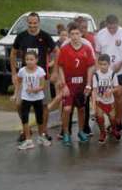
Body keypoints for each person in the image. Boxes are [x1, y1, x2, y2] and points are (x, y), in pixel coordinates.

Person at [10, 12, 58, 143]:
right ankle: (26, 130)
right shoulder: (21, 36)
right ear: (27, 23)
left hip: (42, 77)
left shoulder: (45, 36)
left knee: (43, 106)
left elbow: (57, 51)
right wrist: (14, 73)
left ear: (38, 23)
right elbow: (13, 54)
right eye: (30, 23)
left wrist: (55, 71)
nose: (32, 25)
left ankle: (43, 132)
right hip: (25, 77)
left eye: (35, 23)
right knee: (19, 104)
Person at [58, 22, 96, 146]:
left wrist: (89, 84)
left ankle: (80, 131)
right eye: (72, 34)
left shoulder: (87, 48)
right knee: (67, 109)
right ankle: (66, 133)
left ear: (81, 34)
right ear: (69, 35)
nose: (75, 36)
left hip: (82, 84)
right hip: (69, 85)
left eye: (77, 33)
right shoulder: (64, 49)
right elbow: (60, 67)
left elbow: (91, 67)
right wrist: (63, 85)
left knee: (81, 109)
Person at [95, 14, 122, 137]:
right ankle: (112, 121)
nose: (112, 30)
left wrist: (120, 63)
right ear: (106, 24)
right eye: (109, 28)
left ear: (118, 23)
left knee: (119, 93)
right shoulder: (100, 35)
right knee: (107, 95)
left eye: (114, 28)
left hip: (121, 69)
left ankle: (119, 121)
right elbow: (97, 53)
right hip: (105, 71)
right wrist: (98, 70)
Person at [12, 51, 50, 150]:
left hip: (38, 98)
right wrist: (16, 94)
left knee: (40, 118)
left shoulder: (40, 71)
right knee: (25, 118)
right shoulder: (22, 71)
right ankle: (28, 140)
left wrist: (34, 90)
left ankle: (41, 137)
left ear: (36, 60)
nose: (29, 62)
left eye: (31, 59)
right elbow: (19, 83)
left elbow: (42, 86)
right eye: (27, 59)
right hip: (26, 98)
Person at [91, 54, 121, 144]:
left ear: (109, 64)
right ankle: (102, 133)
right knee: (100, 117)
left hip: (110, 101)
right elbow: (94, 90)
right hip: (100, 101)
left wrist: (111, 91)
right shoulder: (96, 75)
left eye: (105, 64)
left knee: (112, 118)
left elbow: (117, 87)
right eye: (100, 64)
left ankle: (114, 129)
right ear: (98, 64)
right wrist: (94, 103)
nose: (103, 66)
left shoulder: (112, 74)